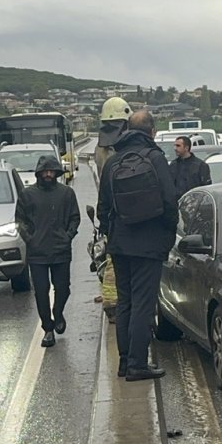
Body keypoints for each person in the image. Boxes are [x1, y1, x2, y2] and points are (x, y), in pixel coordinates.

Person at [97, 111, 178, 381]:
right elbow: (169, 201)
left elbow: (103, 209)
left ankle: (124, 362)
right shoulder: (155, 159)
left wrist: (112, 236)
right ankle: (138, 364)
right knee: (144, 304)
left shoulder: (112, 161)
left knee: (126, 303)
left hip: (120, 244)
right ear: (152, 131)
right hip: (150, 244)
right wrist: (167, 236)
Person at [15, 156, 81, 348]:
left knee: (63, 288)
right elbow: (20, 220)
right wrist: (31, 239)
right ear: (39, 173)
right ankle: (48, 328)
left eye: (52, 171)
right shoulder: (27, 195)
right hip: (38, 253)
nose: (48, 174)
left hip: (61, 250)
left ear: (57, 173)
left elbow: (75, 217)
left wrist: (68, 235)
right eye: (45, 171)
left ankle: (58, 312)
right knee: (41, 291)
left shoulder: (67, 193)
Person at [93, 96, 132, 319]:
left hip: (110, 213)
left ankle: (113, 303)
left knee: (113, 260)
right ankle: (118, 303)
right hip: (127, 212)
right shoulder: (123, 147)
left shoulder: (101, 147)